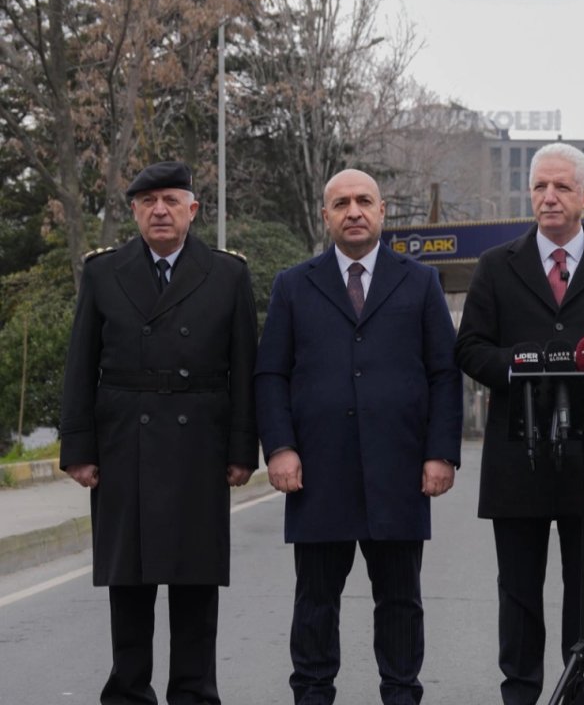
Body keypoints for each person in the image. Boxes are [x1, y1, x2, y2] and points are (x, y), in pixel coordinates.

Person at [454, 143, 584, 705]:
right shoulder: (497, 265)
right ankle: (520, 692)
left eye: (562, 188)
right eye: (541, 187)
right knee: (518, 590)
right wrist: (525, 365)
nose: (549, 197)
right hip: (516, 450)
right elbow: (471, 347)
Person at [255, 169, 463, 705]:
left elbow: (444, 371)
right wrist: (279, 446)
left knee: (400, 601)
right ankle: (313, 694)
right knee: (316, 600)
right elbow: (270, 373)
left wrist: (440, 453)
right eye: (341, 203)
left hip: (399, 471)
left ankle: (400, 694)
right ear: (326, 215)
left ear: (382, 210)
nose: (353, 211)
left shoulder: (419, 281)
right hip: (317, 471)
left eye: (363, 201)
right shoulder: (293, 284)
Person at [59, 161, 258, 704]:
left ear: (193, 209)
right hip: (125, 443)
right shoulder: (104, 272)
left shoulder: (228, 274)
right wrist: (77, 448)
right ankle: (128, 692)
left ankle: (194, 693)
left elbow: (244, 368)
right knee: (129, 583)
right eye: (148, 202)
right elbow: (82, 363)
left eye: (171, 199)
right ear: (133, 211)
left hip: (201, 445)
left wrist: (244, 449)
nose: (160, 210)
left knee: (196, 584)